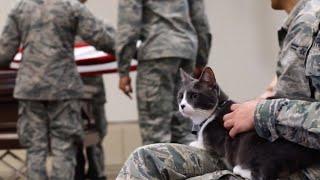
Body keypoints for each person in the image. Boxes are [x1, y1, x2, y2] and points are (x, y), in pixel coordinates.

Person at [116, 0, 320, 179]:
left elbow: (128, 23)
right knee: (147, 157)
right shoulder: (299, 23)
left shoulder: (313, 21)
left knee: (153, 140)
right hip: (266, 147)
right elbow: (200, 21)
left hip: (290, 161)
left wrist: (261, 112)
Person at [0, 0, 114, 179]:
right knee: (64, 146)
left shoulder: (21, 8)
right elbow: (100, 38)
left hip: (30, 89)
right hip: (63, 88)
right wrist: (131, 50)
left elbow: (4, 53)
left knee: (35, 148)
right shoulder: (71, 7)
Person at [116, 0, 211, 145]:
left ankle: (159, 167)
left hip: (156, 54)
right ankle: (189, 167)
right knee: (183, 128)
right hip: (186, 52)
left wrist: (123, 69)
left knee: (155, 129)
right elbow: (201, 21)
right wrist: (201, 61)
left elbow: (128, 27)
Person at [74, 1, 109, 179]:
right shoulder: (59, 22)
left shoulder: (93, 22)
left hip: (92, 91)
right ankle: (78, 170)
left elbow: (110, 41)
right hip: (70, 91)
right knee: (73, 136)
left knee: (94, 135)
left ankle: (95, 171)